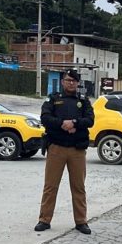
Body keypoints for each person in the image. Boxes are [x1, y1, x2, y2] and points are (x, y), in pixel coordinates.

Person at [34, 69, 94, 234]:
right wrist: (62, 123)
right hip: (56, 148)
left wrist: (74, 123)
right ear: (62, 82)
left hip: (77, 150)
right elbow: (45, 118)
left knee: (79, 187)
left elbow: (90, 120)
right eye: (67, 80)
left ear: (77, 83)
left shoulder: (83, 100)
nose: (70, 83)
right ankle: (44, 220)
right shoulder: (53, 99)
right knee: (50, 186)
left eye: (73, 81)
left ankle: (81, 222)